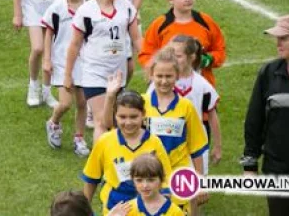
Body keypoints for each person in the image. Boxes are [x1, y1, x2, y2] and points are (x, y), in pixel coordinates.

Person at [242, 14, 289, 216]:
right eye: (277, 38)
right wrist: (250, 162)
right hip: (278, 168)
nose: (278, 43)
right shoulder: (268, 73)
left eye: (284, 38)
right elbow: (254, 120)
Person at [64, 0, 141, 142]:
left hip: (118, 74)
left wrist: (149, 63)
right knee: (101, 121)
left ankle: (115, 161)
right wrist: (68, 75)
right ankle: (101, 164)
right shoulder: (86, 11)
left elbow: (136, 38)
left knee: (114, 121)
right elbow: (74, 45)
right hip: (95, 73)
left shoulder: (126, 7)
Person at [135, 48, 208, 215]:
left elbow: (196, 149)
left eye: (169, 76)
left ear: (177, 76)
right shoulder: (141, 104)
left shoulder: (186, 107)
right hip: (148, 175)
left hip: (178, 174)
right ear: (151, 76)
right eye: (159, 76)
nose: (163, 81)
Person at [81, 89, 173, 214]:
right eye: (122, 117)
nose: (128, 122)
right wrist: (84, 210)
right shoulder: (105, 141)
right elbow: (91, 178)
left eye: (133, 117)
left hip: (147, 208)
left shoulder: (154, 143)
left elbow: (166, 178)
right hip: (115, 208)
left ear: (143, 114)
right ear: (115, 115)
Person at [138, 0, 227, 86]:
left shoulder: (206, 21)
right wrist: (162, 68)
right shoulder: (160, 25)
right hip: (168, 87)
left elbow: (220, 50)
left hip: (201, 85)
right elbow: (146, 54)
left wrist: (209, 59)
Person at [44, 0, 91, 157]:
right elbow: (48, 33)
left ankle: (79, 138)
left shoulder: (90, 7)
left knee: (82, 103)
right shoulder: (56, 8)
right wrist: (47, 59)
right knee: (65, 103)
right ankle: (53, 122)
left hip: (85, 62)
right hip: (62, 62)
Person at [170, 34, 222, 172]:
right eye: (171, 55)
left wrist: (217, 147)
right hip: (169, 140)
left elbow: (212, 115)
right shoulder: (161, 82)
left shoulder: (202, 85)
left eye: (178, 56)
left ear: (192, 57)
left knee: (196, 186)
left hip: (196, 142)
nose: (173, 60)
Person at [108, 154, 186, 216]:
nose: (145, 185)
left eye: (151, 180)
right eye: (139, 180)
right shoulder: (127, 210)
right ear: (133, 180)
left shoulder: (175, 212)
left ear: (161, 179)